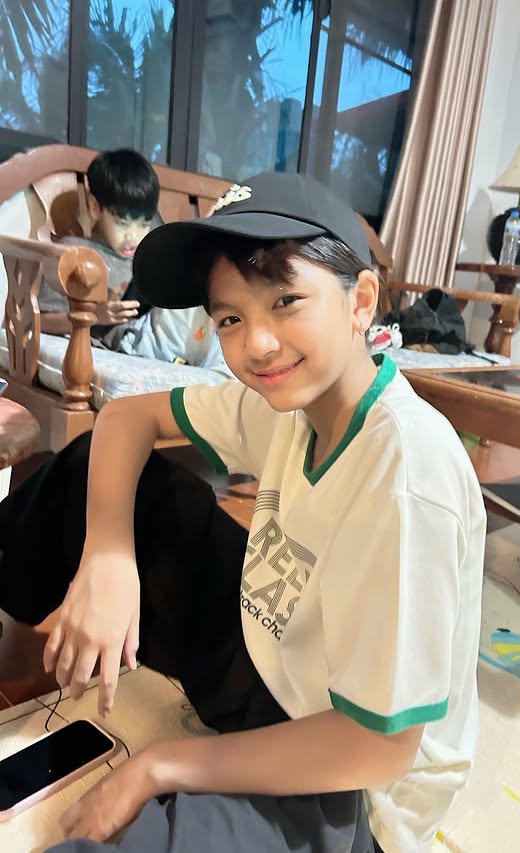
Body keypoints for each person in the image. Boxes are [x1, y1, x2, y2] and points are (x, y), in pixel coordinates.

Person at [0, 173, 486, 852]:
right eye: (230, 318)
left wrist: (161, 764)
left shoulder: (407, 472)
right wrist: (108, 557)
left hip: (357, 786)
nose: (257, 343)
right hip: (275, 662)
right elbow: (126, 419)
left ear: (360, 302)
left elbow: (379, 747)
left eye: (286, 300)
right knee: (93, 475)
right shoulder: (290, 405)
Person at [39, 148, 226, 369]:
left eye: (144, 224)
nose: (133, 236)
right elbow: (41, 321)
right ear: (95, 207)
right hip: (128, 341)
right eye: (123, 223)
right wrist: (94, 315)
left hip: (170, 336)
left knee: (209, 290)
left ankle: (225, 374)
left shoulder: (146, 255)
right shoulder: (73, 253)